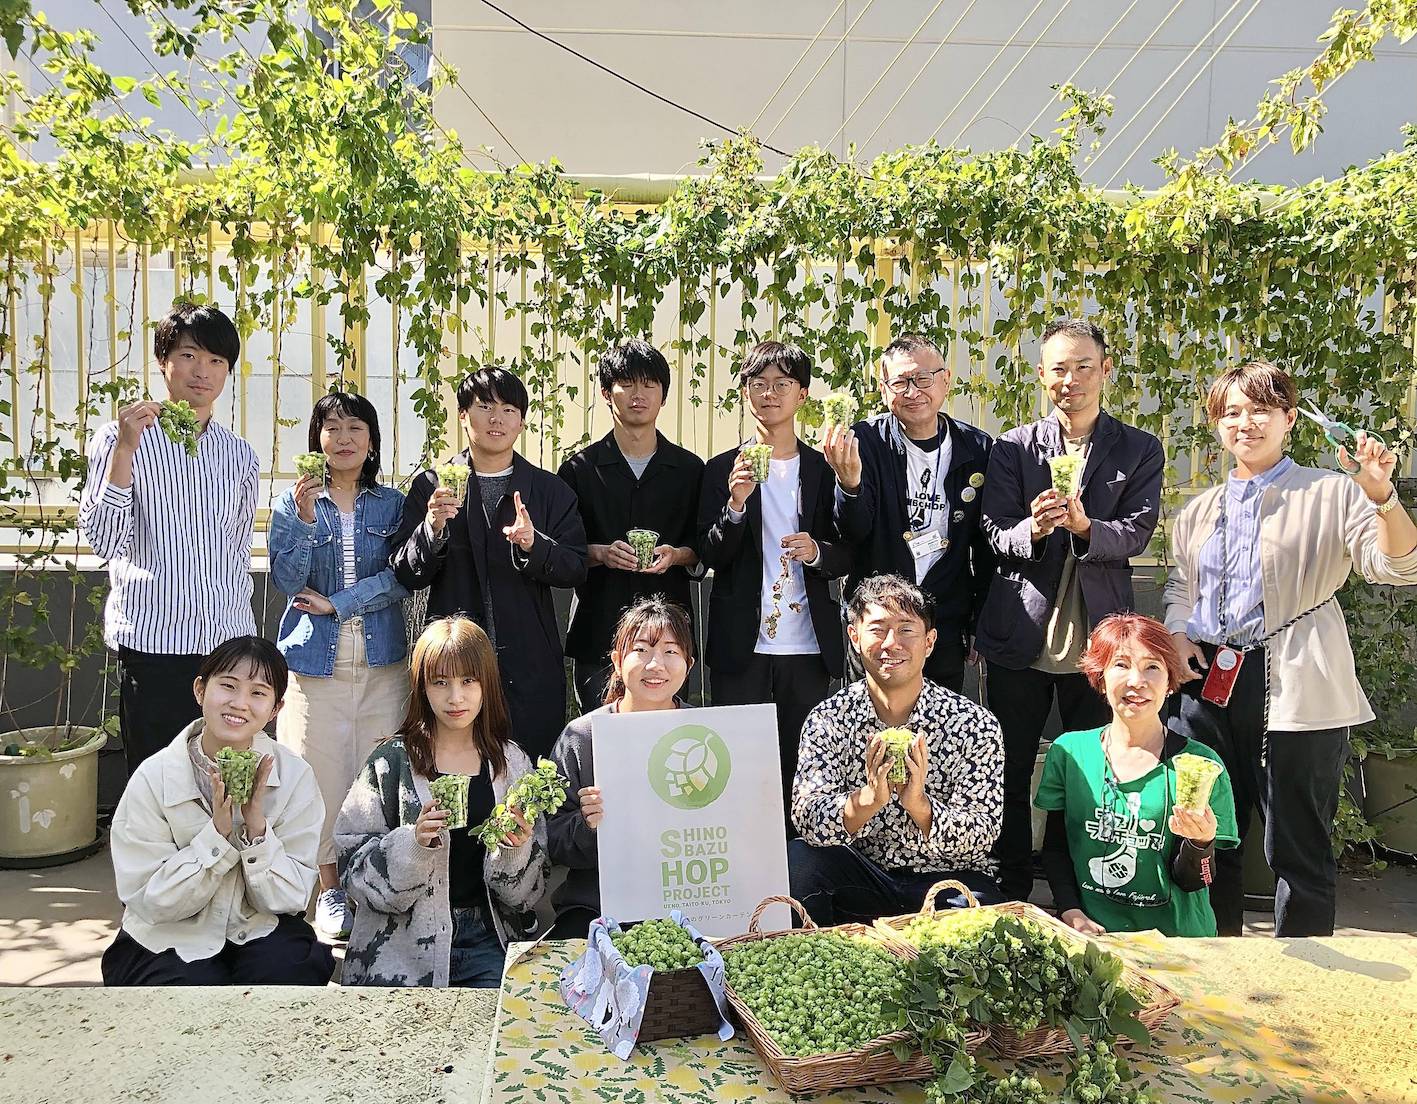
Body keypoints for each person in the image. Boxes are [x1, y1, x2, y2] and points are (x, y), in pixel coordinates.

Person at [1165, 360, 1417, 937]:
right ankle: (1214, 959)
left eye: (1260, 410)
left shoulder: (1331, 492)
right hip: (1207, 679)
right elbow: (1181, 585)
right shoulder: (1198, 509)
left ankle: (1306, 967)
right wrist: (1177, 632)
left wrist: (1381, 496)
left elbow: (1399, 566)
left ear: (1290, 419)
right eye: (1231, 412)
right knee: (1204, 830)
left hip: (1297, 679)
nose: (1245, 423)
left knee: (1297, 842)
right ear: (1217, 424)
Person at [977, 318, 1165, 902]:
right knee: (1007, 769)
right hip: (1021, 636)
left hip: (1099, 644)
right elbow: (993, 532)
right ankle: (1009, 889)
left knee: (1088, 773)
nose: (1071, 379)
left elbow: (1136, 533)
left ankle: (1079, 892)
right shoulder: (1013, 447)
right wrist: (1032, 529)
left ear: (1105, 371)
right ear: (1041, 375)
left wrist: (1086, 526)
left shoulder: (1138, 448)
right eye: (1059, 368)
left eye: (1084, 366)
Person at [77, 302, 259, 777]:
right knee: (157, 779)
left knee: (224, 776)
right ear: (164, 361)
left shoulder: (239, 455)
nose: (203, 371)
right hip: (155, 641)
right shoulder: (120, 439)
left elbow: (236, 548)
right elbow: (103, 540)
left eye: (216, 361)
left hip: (225, 644)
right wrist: (125, 449)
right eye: (189, 355)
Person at [101, 637, 333, 986]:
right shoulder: (154, 776)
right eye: (228, 686)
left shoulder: (295, 776)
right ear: (200, 690)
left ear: (275, 709)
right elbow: (148, 898)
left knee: (288, 974)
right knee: (186, 992)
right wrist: (216, 837)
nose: (240, 703)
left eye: (258, 693)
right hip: (167, 934)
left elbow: (291, 898)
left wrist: (257, 832)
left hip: (258, 925)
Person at [336, 617, 549, 987]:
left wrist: (515, 851)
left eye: (468, 681)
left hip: (488, 937)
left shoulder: (511, 763)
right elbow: (351, 872)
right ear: (422, 686)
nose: (455, 697)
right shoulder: (390, 762)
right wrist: (412, 845)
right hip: (399, 947)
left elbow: (528, 894)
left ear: (487, 684)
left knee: (494, 1019)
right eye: (440, 682)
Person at [269, 391, 410, 940]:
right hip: (314, 662)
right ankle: (330, 888)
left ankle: (373, 883)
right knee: (320, 776)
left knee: (378, 774)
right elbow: (287, 580)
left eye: (355, 427)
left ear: (372, 441)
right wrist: (305, 522)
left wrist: (340, 603)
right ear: (317, 440)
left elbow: (402, 576)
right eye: (331, 428)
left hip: (381, 658)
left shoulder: (393, 505)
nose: (343, 438)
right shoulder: (292, 505)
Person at [391, 367, 588, 761]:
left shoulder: (548, 490)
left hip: (529, 661)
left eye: (509, 410)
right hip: (454, 666)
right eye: (485, 407)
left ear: (522, 422)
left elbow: (575, 567)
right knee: (453, 769)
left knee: (529, 772)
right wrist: (432, 528)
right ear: (463, 415)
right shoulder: (432, 486)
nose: (497, 419)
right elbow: (406, 572)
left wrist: (534, 545)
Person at [789, 574, 1004, 925]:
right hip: (863, 876)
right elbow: (808, 818)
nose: (892, 644)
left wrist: (919, 805)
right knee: (800, 860)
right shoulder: (829, 718)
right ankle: (821, 952)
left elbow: (982, 833)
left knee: (982, 918)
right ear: (854, 636)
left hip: (947, 880)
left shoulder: (973, 724)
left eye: (906, 630)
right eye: (878, 629)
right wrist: (868, 799)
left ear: (929, 642)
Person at [698, 341, 851, 824]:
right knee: (736, 763)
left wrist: (817, 551)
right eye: (759, 384)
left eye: (782, 384)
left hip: (807, 643)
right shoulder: (721, 468)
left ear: (802, 395)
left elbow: (850, 548)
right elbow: (710, 553)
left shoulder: (824, 469)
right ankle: (740, 857)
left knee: (802, 766)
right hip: (741, 642)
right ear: (745, 393)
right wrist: (736, 505)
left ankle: (798, 858)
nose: (770, 394)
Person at [1036, 614, 1239, 938]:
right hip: (1096, 937)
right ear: (1100, 677)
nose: (1136, 681)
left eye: (1152, 667)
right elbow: (1057, 848)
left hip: (1177, 943)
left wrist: (1200, 843)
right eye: (1121, 665)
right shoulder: (1070, 753)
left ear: (1170, 681)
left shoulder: (1200, 766)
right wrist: (1071, 911)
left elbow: (1197, 880)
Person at [821, 334, 994, 692]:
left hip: (943, 620)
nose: (913, 392)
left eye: (923, 379)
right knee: (871, 717)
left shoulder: (977, 448)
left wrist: (981, 620)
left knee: (939, 717)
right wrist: (849, 484)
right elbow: (851, 534)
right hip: (877, 622)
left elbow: (985, 545)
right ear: (884, 390)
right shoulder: (863, 442)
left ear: (945, 380)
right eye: (900, 382)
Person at [557, 340, 704, 710]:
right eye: (627, 384)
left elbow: (704, 545)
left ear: (664, 396)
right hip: (599, 631)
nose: (638, 395)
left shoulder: (690, 470)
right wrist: (600, 553)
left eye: (649, 384)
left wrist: (676, 555)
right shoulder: (579, 470)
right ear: (607, 393)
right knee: (600, 734)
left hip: (669, 637)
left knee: (664, 737)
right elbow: (561, 550)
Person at [545, 597, 695, 938]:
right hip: (597, 905)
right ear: (617, 660)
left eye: (671, 651)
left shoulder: (710, 733)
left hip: (691, 904)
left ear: (689, 664)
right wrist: (587, 825)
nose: (655, 664)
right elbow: (550, 837)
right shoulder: (582, 737)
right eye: (641, 650)